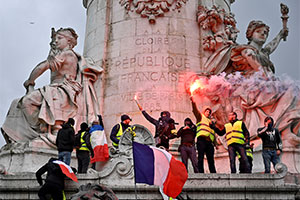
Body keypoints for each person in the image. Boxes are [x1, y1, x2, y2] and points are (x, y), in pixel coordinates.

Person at [2, 27, 103, 145]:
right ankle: (40, 130)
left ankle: (46, 131)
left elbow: (43, 66)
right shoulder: (61, 53)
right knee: (17, 103)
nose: (56, 41)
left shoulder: (68, 54)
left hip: (62, 89)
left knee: (27, 101)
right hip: (55, 88)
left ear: (69, 41)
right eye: (55, 39)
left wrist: (30, 80)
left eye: (59, 38)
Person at [190, 97, 221, 173]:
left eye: (209, 112)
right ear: (204, 112)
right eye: (207, 111)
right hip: (201, 140)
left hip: (209, 142)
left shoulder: (211, 122)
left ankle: (213, 173)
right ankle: (201, 172)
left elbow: (212, 133)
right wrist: (193, 102)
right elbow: (195, 111)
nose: (208, 113)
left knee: (211, 159)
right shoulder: (200, 117)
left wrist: (215, 144)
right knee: (200, 157)